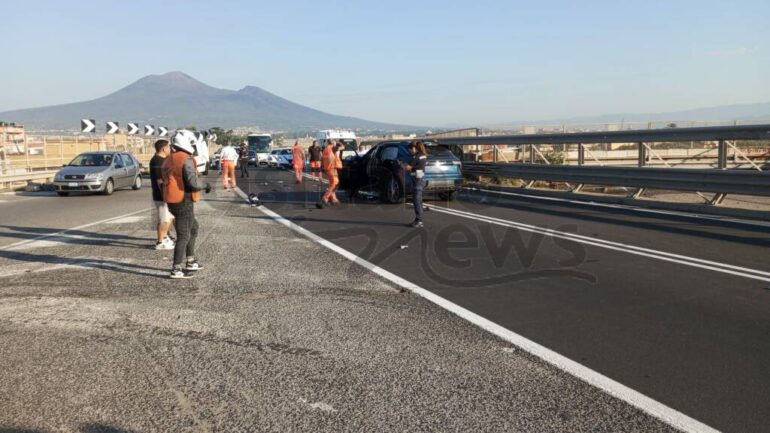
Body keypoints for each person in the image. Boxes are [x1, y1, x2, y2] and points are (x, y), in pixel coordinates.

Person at [162, 132, 210, 279]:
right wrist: (205, 185)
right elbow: (192, 181)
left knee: (193, 228)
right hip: (184, 200)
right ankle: (176, 268)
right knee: (184, 235)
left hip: (173, 199)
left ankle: (190, 260)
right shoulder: (185, 159)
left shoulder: (169, 159)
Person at [149, 139, 175, 250]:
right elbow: (160, 181)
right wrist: (165, 196)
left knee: (168, 218)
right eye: (169, 147)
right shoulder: (158, 162)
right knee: (164, 219)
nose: (170, 149)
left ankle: (165, 237)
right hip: (161, 196)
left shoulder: (161, 160)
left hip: (164, 195)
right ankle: (160, 242)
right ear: (164, 149)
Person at [405, 140, 428, 228]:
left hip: (417, 181)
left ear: (413, 148)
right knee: (419, 201)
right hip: (421, 178)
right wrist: (413, 171)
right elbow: (419, 170)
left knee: (417, 201)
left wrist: (403, 166)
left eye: (410, 150)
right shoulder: (423, 155)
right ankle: (418, 219)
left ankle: (419, 220)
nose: (409, 152)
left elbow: (408, 167)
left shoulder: (416, 157)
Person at [318, 142, 343, 207]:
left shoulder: (325, 150)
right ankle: (325, 197)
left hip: (327, 169)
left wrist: (321, 170)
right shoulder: (333, 148)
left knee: (332, 183)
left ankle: (334, 199)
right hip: (332, 169)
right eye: (334, 143)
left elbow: (322, 160)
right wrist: (339, 143)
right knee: (334, 184)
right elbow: (343, 147)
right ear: (332, 143)